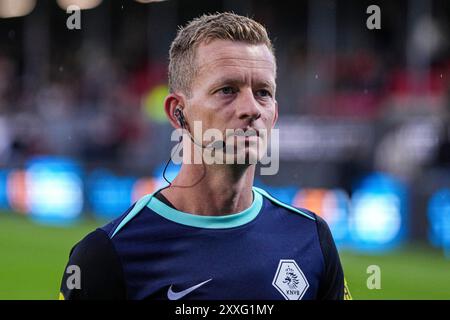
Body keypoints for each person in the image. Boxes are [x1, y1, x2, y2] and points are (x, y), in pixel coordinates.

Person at [59, 12, 351, 300]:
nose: (251, 108)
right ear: (178, 112)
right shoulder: (107, 254)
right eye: (227, 90)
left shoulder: (312, 239)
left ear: (274, 114)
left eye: (263, 92)